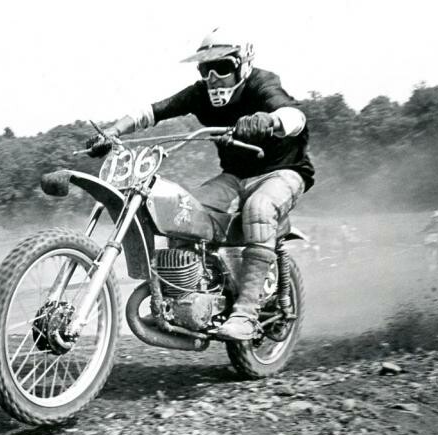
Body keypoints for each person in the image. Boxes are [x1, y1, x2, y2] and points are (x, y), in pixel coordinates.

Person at [85, 28, 314, 340]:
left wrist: (269, 121)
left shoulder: (262, 83)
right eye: (206, 69)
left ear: (243, 64)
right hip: (234, 177)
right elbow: (152, 111)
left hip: (282, 171)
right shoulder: (199, 94)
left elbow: (294, 115)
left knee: (259, 208)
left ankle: (245, 315)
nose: (214, 78)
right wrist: (112, 131)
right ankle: (184, 301)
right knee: (183, 212)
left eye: (222, 67)